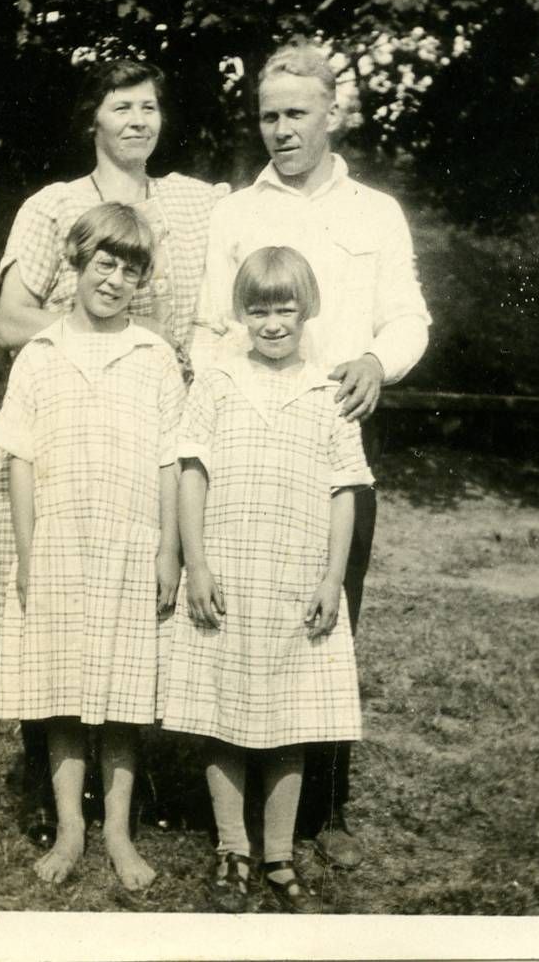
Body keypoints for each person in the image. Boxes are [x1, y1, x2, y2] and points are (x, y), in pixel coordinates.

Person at [190, 38, 431, 869]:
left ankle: (316, 810)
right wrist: (218, 398)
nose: (281, 130)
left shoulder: (375, 212)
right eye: (268, 116)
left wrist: (375, 361)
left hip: (333, 434)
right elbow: (203, 327)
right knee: (235, 610)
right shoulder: (234, 211)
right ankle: (221, 811)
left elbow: (408, 317)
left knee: (327, 614)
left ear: (333, 113)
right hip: (245, 438)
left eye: (296, 113)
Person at [0, 57, 227, 846]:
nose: (137, 120)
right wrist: (85, 327)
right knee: (48, 613)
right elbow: (12, 322)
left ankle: (124, 799)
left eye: (150, 106)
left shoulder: (188, 204)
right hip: (60, 426)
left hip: (147, 428)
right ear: (91, 118)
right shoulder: (54, 207)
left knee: (127, 623)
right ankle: (51, 803)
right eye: (120, 105)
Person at [0, 203, 186, 890]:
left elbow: (169, 460)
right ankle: (71, 824)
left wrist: (168, 551)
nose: (115, 278)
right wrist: (30, 550)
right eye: (104, 262)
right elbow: (19, 459)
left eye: (130, 268)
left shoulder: (155, 356)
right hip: (61, 542)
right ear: (76, 263)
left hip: (132, 543)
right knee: (63, 689)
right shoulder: (40, 354)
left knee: (125, 696)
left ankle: (120, 830)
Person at [163, 247, 371, 912]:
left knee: (291, 716)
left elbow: (345, 491)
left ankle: (278, 854)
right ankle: (232, 847)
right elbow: (191, 473)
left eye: (285, 308)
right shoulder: (218, 382)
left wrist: (330, 578)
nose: (273, 322)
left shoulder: (327, 391)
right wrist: (196, 563)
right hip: (230, 572)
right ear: (241, 313)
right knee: (223, 713)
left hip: (296, 578)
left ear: (305, 310)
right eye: (259, 309)